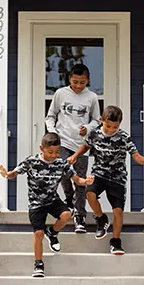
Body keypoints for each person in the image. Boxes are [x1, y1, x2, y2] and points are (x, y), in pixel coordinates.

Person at [68, 105, 144, 255]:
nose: (111, 129)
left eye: (115, 127)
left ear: (120, 123)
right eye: (108, 126)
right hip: (98, 174)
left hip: (117, 177)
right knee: (89, 194)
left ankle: (116, 241)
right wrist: (74, 156)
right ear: (101, 120)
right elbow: (86, 146)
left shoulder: (124, 138)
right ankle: (101, 218)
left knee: (118, 210)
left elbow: (136, 155)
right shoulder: (94, 134)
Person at [0, 132, 94, 278]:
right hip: (36, 203)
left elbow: (76, 179)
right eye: (50, 152)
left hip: (52, 200)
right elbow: (15, 172)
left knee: (67, 214)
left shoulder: (61, 163)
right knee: (38, 233)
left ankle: (53, 232)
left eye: (57, 152)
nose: (54, 155)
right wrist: (7, 174)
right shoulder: (32, 162)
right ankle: (38, 264)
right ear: (41, 149)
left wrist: (85, 181)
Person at [45, 63, 100, 234]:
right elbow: (50, 117)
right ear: (70, 79)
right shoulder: (61, 94)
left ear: (87, 80)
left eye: (82, 82)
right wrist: (53, 134)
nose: (78, 86)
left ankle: (80, 217)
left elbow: (97, 120)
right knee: (63, 173)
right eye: (75, 81)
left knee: (81, 180)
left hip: (81, 145)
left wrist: (88, 128)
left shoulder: (92, 97)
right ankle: (69, 197)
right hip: (62, 142)